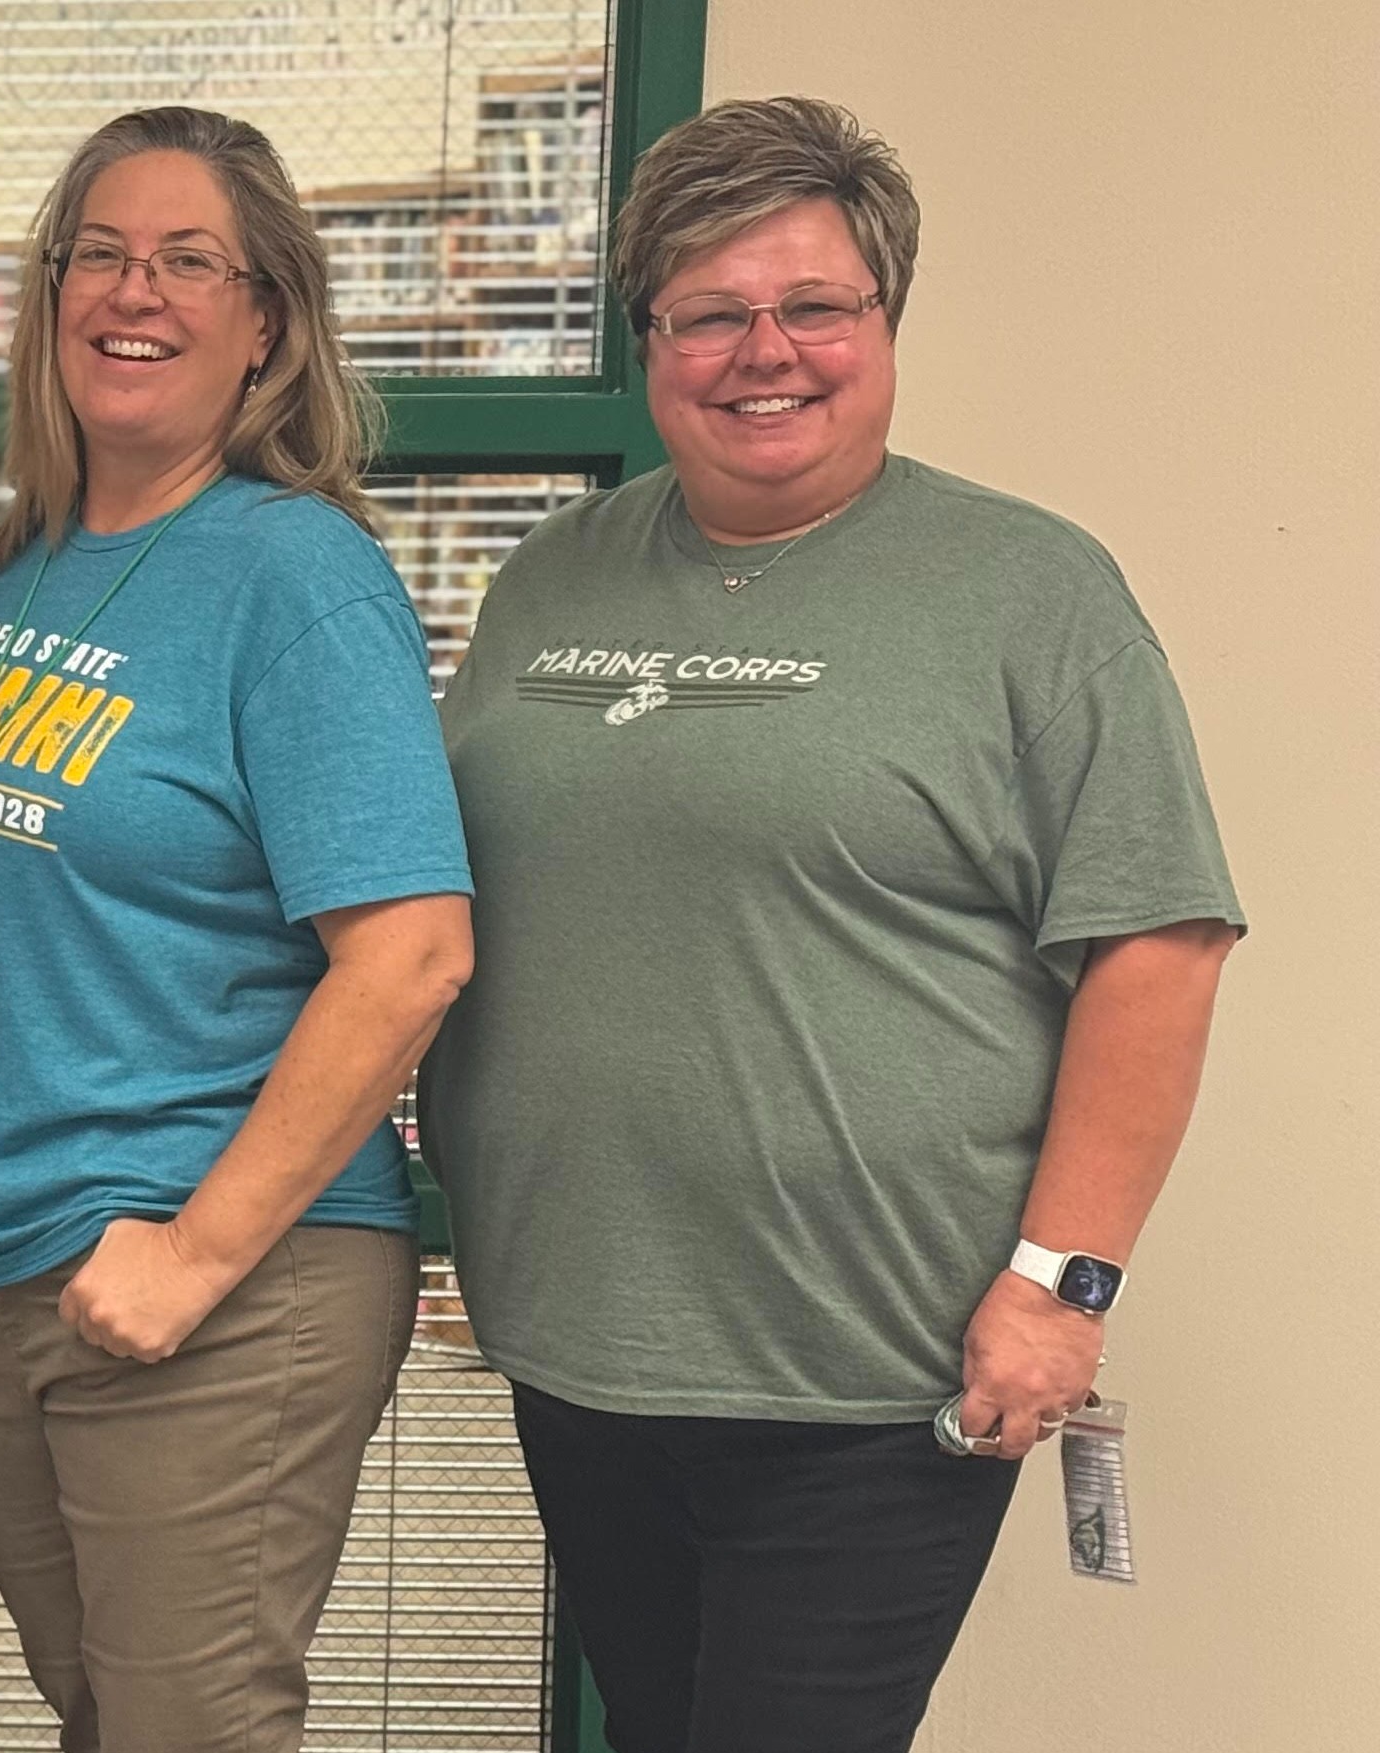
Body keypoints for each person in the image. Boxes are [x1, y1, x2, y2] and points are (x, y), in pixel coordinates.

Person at [418, 97, 1238, 1753]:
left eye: (812, 308)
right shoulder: (550, 580)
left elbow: (1155, 940)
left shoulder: (1024, 590)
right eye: (707, 313)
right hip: (582, 1338)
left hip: (869, 1365)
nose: (761, 351)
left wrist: (1056, 1287)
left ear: (882, 322)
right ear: (649, 340)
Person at [0, 106, 474, 1752]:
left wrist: (190, 1255)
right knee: (109, 1721)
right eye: (101, 253)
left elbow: (408, 953)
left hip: (215, 1275)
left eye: (192, 260)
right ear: (49, 299)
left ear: (266, 321)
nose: (139, 290)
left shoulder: (294, 574)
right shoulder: (19, 573)